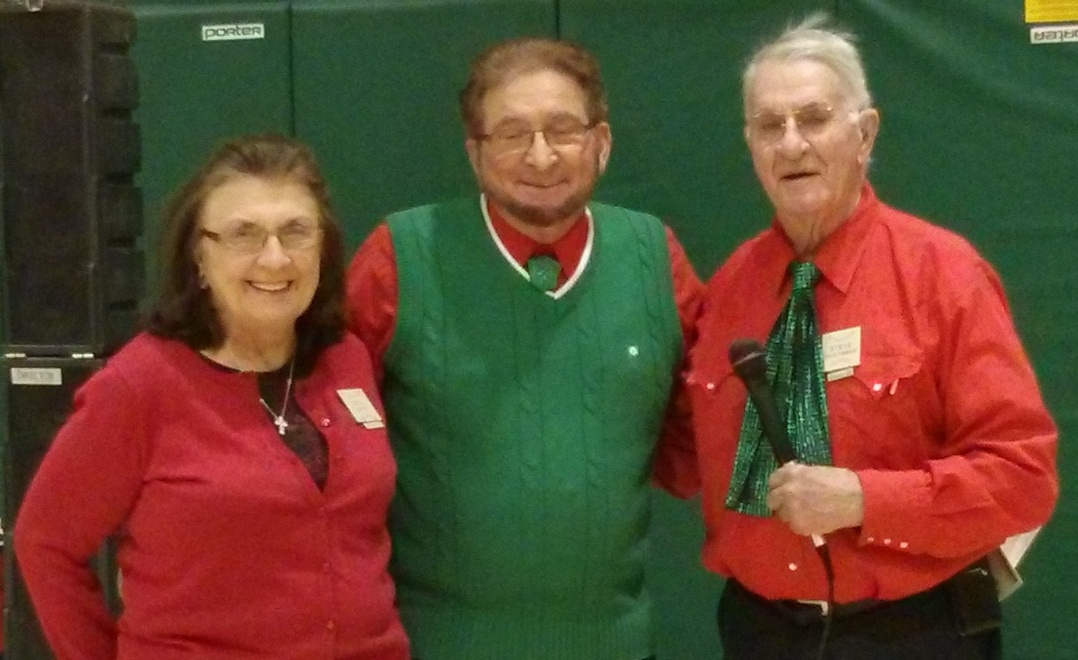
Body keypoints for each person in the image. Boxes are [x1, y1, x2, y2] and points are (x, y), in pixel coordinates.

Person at [684, 14, 1060, 660]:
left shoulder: (945, 276)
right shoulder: (729, 290)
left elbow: (1023, 479)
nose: (791, 144)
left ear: (865, 133)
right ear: (750, 144)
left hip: (910, 632)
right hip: (759, 632)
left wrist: (864, 500)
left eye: (814, 118)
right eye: (770, 125)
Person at [346, 37, 703, 660]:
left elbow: (701, 439)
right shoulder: (398, 258)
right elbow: (332, 456)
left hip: (615, 645)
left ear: (601, 142)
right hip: (437, 645)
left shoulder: (654, 257)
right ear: (476, 153)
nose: (540, 156)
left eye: (562, 130)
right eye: (512, 134)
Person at [13, 134, 410, 659]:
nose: (275, 258)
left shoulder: (347, 359)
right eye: (244, 234)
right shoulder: (140, 386)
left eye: (296, 231)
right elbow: (45, 543)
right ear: (199, 257)